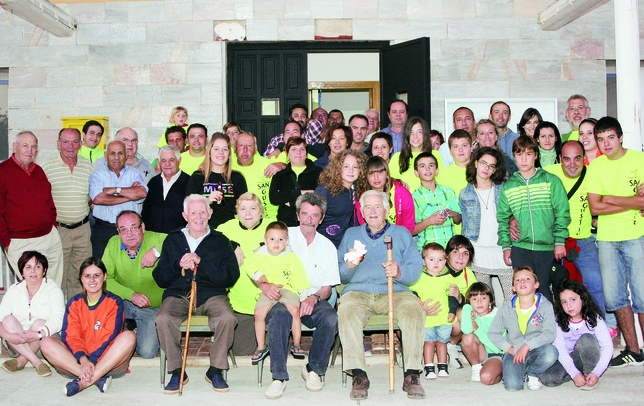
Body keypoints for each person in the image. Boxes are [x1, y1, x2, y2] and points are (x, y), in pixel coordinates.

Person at [337, 190, 426, 400]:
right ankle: (359, 375)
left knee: (414, 310)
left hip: (394, 291)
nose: (372, 211)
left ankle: (412, 374)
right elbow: (340, 274)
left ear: (387, 209)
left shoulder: (402, 234)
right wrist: (349, 266)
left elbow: (415, 270)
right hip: (358, 292)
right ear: (361, 212)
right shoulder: (351, 234)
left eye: (377, 206)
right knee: (346, 309)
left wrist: (399, 271)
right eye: (367, 207)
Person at [153, 194, 240, 394]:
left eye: (203, 212)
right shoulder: (173, 239)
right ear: (185, 215)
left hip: (211, 294)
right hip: (178, 295)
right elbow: (160, 278)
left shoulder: (221, 240)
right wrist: (178, 265)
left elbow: (230, 277)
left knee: (227, 318)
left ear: (210, 213)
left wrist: (202, 263)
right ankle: (177, 370)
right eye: (194, 213)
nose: (199, 217)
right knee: (163, 318)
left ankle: (215, 369)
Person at [586, 116, 644, 367]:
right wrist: (629, 201)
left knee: (642, 297)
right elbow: (594, 207)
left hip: (636, 235)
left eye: (611, 137)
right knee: (615, 297)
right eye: (601, 139)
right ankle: (634, 350)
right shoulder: (597, 166)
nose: (607, 143)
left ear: (620, 137)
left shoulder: (639, 160)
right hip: (607, 239)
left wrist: (610, 198)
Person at [40, 257, 136, 397]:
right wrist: (84, 361)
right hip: (77, 364)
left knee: (129, 336)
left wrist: (92, 362)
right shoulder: (74, 303)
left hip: (108, 364)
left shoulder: (115, 302)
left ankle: (83, 382)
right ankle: (96, 379)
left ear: (104, 277)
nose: (92, 280)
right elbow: (71, 336)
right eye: (87, 276)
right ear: (81, 279)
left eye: (97, 275)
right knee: (46, 342)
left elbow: (110, 337)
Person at [543, 141, 610, 327]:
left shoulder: (593, 176)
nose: (572, 164)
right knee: (550, 287)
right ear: (559, 159)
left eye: (577, 158)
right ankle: (558, 330)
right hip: (552, 240)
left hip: (583, 240)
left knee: (595, 284)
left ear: (584, 158)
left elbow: (613, 194)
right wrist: (513, 219)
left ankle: (598, 327)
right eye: (567, 159)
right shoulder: (548, 173)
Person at [497, 135, 570, 302]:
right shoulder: (509, 186)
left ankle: (549, 327)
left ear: (536, 155)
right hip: (520, 247)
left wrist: (559, 241)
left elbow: (562, 212)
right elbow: (502, 218)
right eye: (519, 154)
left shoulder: (550, 181)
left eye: (528, 154)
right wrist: (506, 246)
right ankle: (526, 328)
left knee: (544, 289)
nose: (523, 159)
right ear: (513, 156)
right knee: (523, 292)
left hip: (546, 247)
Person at [0, 131, 64, 287]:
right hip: (20, 242)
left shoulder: (39, 171)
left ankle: (53, 312)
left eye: (33, 146)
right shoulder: (3, 172)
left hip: (49, 238)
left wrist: (53, 227)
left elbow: (49, 202)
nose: (30, 150)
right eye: (25, 145)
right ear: (14, 147)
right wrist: (7, 243)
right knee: (32, 288)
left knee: (52, 287)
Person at [102, 210, 166, 359]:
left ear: (142, 227)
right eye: (123, 230)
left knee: (147, 351)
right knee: (98, 301)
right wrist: (131, 295)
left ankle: (133, 335)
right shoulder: (113, 243)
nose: (129, 234)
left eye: (134, 228)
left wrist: (156, 252)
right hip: (124, 302)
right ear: (118, 232)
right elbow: (105, 278)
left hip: (152, 307)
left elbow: (181, 239)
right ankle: (106, 343)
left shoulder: (156, 238)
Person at [245, 221, 309, 363]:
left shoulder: (291, 257)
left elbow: (300, 275)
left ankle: (297, 344)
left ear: (287, 241)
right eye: (272, 239)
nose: (276, 243)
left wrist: (303, 295)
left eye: (281, 239)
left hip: (288, 289)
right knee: (258, 313)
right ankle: (261, 346)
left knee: (294, 311)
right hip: (268, 290)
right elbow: (250, 268)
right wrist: (260, 277)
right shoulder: (260, 255)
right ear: (265, 240)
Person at [42, 128, 94, 299]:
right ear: (58, 144)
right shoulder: (47, 167)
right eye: (65, 142)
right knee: (57, 276)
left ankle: (76, 316)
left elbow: (91, 196)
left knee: (81, 276)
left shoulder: (88, 166)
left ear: (80, 144)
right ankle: (58, 319)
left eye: (74, 142)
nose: (70, 146)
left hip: (82, 230)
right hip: (59, 230)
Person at [488, 266, 558, 391]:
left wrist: (527, 346)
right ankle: (520, 370)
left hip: (537, 350)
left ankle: (533, 374)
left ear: (536, 284)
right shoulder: (506, 308)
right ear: (513, 288)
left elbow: (550, 334)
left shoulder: (545, 305)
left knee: (551, 352)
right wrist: (509, 349)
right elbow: (493, 333)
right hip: (514, 351)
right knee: (513, 386)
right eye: (518, 280)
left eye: (527, 279)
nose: (522, 282)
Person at [216, 192, 269, 357]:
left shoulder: (272, 228)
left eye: (253, 208)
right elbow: (208, 243)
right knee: (241, 352)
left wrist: (269, 249)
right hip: (240, 306)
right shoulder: (226, 228)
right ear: (236, 212)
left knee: (275, 350)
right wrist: (230, 245)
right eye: (243, 209)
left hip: (269, 304)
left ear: (261, 211)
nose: (247, 213)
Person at [459, 147, 513, 302]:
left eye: (491, 166)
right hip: (478, 250)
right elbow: (464, 224)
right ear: (476, 163)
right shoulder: (465, 193)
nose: (486, 168)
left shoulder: (503, 189)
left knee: (510, 298)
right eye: (483, 163)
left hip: (502, 249)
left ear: (495, 169)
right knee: (482, 299)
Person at [0, 251, 64, 377]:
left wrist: (38, 334)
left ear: (44, 271)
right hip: (17, 344)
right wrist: (8, 336)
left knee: (39, 323)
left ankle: (21, 360)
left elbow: (59, 319)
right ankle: (36, 362)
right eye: (28, 267)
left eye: (38, 267)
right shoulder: (14, 290)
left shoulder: (53, 289)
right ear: (22, 272)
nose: (33, 271)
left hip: (44, 342)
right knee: (7, 319)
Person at [540, 280, 613, 390]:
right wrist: (574, 374)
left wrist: (596, 372)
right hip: (570, 358)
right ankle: (579, 373)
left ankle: (589, 374)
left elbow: (607, 347)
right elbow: (560, 350)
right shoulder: (557, 322)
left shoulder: (595, 319)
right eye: (564, 302)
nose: (569, 305)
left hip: (589, 356)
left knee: (586, 339)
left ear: (583, 299)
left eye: (573, 300)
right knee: (547, 378)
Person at [89, 140, 147, 258]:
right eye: (112, 153)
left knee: (129, 267)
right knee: (101, 267)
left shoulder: (134, 174)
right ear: (106, 156)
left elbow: (141, 192)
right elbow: (98, 199)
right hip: (103, 230)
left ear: (126, 156)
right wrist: (129, 195)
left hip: (130, 231)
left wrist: (115, 190)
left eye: (120, 153)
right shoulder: (97, 175)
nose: (116, 157)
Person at [409, 243, 455, 380]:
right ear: (423, 261)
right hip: (427, 319)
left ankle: (442, 366)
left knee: (442, 342)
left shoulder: (448, 277)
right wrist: (417, 300)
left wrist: (452, 311)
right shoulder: (419, 277)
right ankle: (429, 367)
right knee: (428, 342)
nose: (436, 263)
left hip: (443, 318)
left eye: (440, 260)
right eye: (431, 259)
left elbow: (452, 296)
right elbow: (411, 292)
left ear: (445, 261)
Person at [185, 133, 248, 229]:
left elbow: (245, 207)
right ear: (209, 152)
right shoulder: (197, 177)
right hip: (205, 230)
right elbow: (188, 207)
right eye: (216, 149)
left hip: (231, 230)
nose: (221, 153)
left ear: (229, 154)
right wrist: (207, 201)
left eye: (225, 149)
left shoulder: (237, 177)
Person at [314, 149, 368, 248]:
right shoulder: (325, 190)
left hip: (342, 245)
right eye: (346, 166)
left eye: (355, 167)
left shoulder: (355, 190)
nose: (351, 171)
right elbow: (311, 219)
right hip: (323, 245)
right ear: (338, 168)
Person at [412, 152, 461, 251]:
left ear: (437, 170)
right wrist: (429, 221)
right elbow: (412, 230)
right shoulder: (414, 198)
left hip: (451, 249)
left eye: (431, 165)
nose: (427, 169)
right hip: (428, 251)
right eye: (422, 166)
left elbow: (458, 220)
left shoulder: (449, 192)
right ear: (416, 173)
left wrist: (454, 214)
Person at [269, 136, 322, 226]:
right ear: (287, 153)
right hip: (285, 223)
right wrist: (299, 193)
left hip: (309, 223)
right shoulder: (280, 174)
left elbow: (318, 196)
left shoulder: (317, 172)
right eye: (293, 149)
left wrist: (289, 202)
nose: (298, 152)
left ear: (306, 153)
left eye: (302, 149)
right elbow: (274, 198)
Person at [355, 156, 414, 234]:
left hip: (398, 239)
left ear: (386, 173)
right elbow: (364, 226)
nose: (376, 178)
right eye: (371, 173)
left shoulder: (401, 192)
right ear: (366, 176)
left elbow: (409, 226)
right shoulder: (361, 197)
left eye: (380, 172)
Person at [443, 235, 478, 369]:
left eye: (465, 253)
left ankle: (451, 346)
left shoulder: (468, 273)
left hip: (454, 319)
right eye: (455, 252)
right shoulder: (438, 268)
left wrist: (460, 298)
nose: (460, 257)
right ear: (447, 255)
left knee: (468, 315)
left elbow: (474, 298)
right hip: (436, 313)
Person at [232, 132, 283, 220]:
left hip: (270, 222)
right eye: (241, 145)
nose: (245, 149)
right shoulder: (228, 168)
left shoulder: (269, 165)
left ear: (256, 149)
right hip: (240, 223)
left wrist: (283, 165)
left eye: (249, 145)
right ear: (235, 148)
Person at [460, 282, 503, 384]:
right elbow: (466, 331)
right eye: (474, 299)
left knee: (486, 378)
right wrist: (467, 307)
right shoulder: (471, 312)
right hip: (481, 353)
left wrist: (477, 330)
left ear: (490, 301)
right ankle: (476, 367)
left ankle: (501, 371)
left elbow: (498, 349)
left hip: (496, 354)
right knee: (467, 336)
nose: (479, 302)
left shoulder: (498, 316)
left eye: (483, 298)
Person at [141, 146, 190, 233]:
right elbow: (146, 212)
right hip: (154, 238)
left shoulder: (189, 182)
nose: (167, 164)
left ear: (179, 161)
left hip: (179, 239)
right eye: (163, 160)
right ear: (159, 163)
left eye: (171, 160)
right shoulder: (153, 183)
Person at [389, 116, 441, 194]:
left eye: (419, 132)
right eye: (411, 132)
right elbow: (390, 185)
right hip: (405, 203)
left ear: (425, 134)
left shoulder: (435, 155)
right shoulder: (397, 157)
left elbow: (441, 182)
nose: (415, 136)